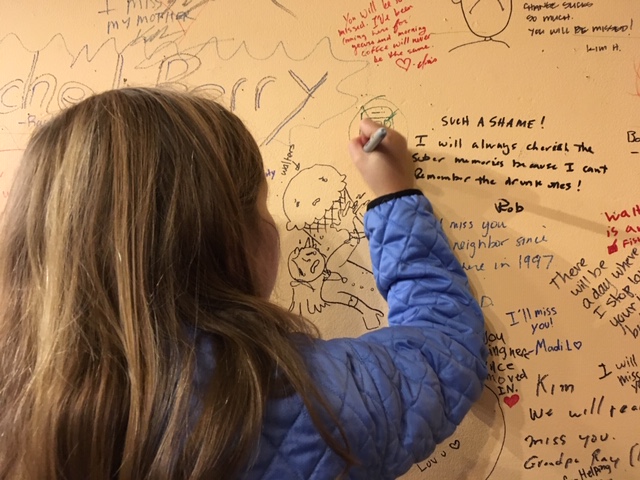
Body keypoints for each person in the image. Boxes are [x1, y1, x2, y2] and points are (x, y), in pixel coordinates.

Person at [0, 87, 487, 479]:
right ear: (229, 240)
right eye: (262, 206)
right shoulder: (298, 401)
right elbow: (444, 346)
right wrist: (395, 194)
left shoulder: (17, 402)